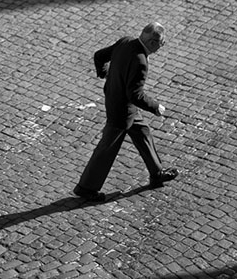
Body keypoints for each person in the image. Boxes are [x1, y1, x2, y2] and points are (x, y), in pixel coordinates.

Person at [73, 22, 178, 203]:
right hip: (122, 109)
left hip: (117, 100)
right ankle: (86, 187)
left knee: (142, 132)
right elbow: (135, 94)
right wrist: (155, 107)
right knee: (107, 148)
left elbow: (99, 56)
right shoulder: (140, 61)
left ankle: (157, 173)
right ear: (152, 43)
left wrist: (104, 73)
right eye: (162, 43)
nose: (162, 46)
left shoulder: (125, 42)